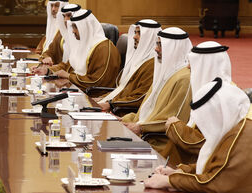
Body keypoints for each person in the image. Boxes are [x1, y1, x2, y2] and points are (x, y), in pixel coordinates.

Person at [145, 77, 252, 193]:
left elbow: (216, 182)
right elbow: (216, 164)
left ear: (219, 112)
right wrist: (179, 171)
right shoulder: (235, 125)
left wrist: (169, 181)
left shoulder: (244, 134)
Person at [121, 27, 192, 156]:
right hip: (143, 134)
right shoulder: (165, 72)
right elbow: (148, 110)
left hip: (159, 144)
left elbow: (175, 120)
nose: (156, 49)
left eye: (161, 45)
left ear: (174, 49)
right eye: (157, 44)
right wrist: (127, 119)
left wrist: (141, 127)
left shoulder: (184, 79)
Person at [165, 41, 233, 165]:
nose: (188, 67)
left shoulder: (219, 98)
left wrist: (175, 126)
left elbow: (208, 145)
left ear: (206, 65)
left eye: (192, 63)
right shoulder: (209, 91)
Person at [38, 9, 120, 89]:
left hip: (95, 95)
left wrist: (69, 77)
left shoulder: (104, 48)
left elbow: (98, 82)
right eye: (72, 27)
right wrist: (48, 71)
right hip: (78, 88)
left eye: (75, 27)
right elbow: (68, 66)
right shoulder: (83, 44)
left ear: (86, 27)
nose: (73, 31)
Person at [97, 19, 160, 112]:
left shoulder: (153, 65)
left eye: (139, 33)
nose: (134, 37)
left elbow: (139, 98)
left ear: (150, 38)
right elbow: (122, 89)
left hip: (124, 112)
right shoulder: (137, 59)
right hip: (115, 106)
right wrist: (103, 98)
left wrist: (110, 104)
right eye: (135, 32)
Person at [40, 2, 80, 66]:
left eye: (69, 16)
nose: (65, 20)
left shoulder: (81, 36)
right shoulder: (62, 34)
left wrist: (53, 69)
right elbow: (49, 52)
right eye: (64, 16)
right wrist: (48, 58)